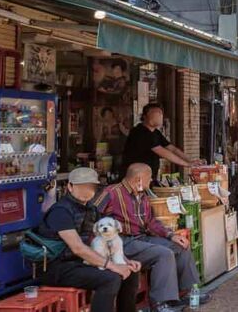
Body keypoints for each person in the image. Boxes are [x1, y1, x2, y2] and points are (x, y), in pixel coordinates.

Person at [97, 163, 205, 312]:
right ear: (138, 179)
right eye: (149, 178)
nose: (151, 181)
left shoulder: (142, 195)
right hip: (123, 242)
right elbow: (92, 214)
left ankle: (186, 292)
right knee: (163, 254)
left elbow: (151, 222)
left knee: (181, 246)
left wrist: (171, 235)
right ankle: (161, 303)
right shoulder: (112, 192)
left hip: (142, 238)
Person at [35, 167, 142, 312]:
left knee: (130, 273)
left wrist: (124, 261)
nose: (86, 191)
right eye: (81, 187)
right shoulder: (60, 211)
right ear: (70, 186)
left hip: (80, 263)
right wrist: (112, 265)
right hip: (58, 267)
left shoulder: (91, 209)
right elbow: (77, 247)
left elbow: (107, 238)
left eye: (90, 187)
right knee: (110, 278)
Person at [122, 103, 203, 179]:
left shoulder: (156, 132)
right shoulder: (139, 131)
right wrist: (186, 164)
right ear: (145, 116)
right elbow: (163, 152)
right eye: (155, 112)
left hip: (148, 176)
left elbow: (172, 148)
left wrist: (190, 160)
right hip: (134, 177)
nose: (159, 115)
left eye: (160, 113)